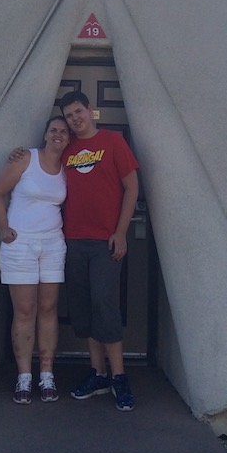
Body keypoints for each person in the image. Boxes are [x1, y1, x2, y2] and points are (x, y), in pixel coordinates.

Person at [57, 90, 140, 411]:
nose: (74, 119)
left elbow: (131, 186)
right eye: (68, 115)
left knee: (105, 303)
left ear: (89, 111)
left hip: (105, 240)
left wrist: (121, 232)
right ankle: (98, 373)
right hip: (72, 240)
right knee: (84, 307)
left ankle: (119, 376)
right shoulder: (66, 148)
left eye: (78, 111)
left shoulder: (113, 141)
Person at [0, 115, 70, 404]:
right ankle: (24, 377)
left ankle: (46, 375)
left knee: (48, 308)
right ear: (45, 134)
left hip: (52, 244)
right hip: (20, 243)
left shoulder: (66, 167)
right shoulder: (26, 159)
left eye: (63, 131)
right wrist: (4, 229)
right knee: (25, 310)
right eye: (53, 130)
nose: (58, 135)